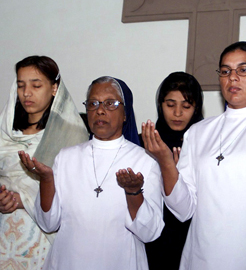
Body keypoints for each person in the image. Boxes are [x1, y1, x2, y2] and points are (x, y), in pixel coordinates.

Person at [144, 41, 246, 270]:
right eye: (225, 71)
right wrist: (166, 163)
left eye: (243, 70)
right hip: (207, 256)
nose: (233, 77)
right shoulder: (198, 133)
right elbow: (184, 210)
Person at [19, 76, 164, 270]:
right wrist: (46, 180)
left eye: (110, 103)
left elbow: (150, 233)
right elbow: (48, 224)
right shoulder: (66, 157)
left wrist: (133, 193)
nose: (100, 110)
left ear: (125, 113)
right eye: (93, 103)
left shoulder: (145, 161)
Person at [0, 56, 89, 269]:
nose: (27, 93)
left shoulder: (71, 134)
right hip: (0, 230)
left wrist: (23, 200)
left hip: (41, 235)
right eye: (21, 85)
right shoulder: (4, 131)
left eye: (36, 85)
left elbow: (75, 195)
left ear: (54, 88)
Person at [143, 72, 204, 270]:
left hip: (192, 239)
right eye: (170, 105)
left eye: (186, 106)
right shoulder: (145, 143)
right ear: (160, 105)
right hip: (151, 240)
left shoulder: (205, 146)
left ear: (196, 109)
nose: (177, 113)